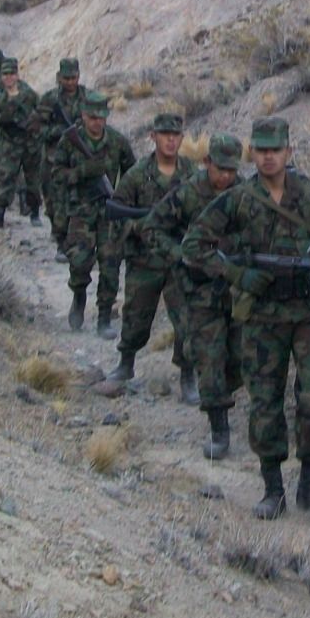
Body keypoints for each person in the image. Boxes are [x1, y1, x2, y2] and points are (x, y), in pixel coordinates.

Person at [181, 117, 310, 521]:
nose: (268, 157)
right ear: (254, 153)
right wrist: (237, 274)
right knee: (265, 400)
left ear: (289, 151)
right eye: (262, 150)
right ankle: (272, 488)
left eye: (276, 149)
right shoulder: (239, 199)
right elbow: (194, 244)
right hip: (262, 316)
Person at [144, 132, 247, 458]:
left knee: (240, 358)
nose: (226, 177)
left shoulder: (245, 194)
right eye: (220, 169)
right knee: (208, 356)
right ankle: (219, 428)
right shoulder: (188, 193)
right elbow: (152, 227)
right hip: (198, 290)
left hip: (237, 291)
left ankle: (220, 395)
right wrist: (178, 254)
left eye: (231, 170)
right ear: (206, 163)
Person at [107, 112, 196, 401]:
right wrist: (141, 226)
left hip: (179, 261)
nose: (170, 140)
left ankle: (188, 376)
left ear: (181, 139)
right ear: (153, 137)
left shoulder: (192, 174)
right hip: (144, 259)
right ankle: (125, 364)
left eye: (175, 135)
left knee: (187, 319)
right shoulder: (136, 174)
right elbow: (117, 214)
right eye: (164, 135)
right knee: (135, 314)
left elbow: (205, 213)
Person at [48, 90, 136, 336]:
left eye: (102, 117)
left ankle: (104, 317)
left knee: (110, 264)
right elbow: (56, 175)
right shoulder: (70, 140)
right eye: (93, 117)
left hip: (110, 212)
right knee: (79, 261)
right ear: (84, 116)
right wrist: (83, 171)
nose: (98, 122)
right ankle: (78, 297)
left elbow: (133, 175)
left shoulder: (118, 142)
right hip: (81, 211)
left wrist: (123, 200)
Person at [0, 58, 42, 228]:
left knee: (32, 179)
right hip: (7, 138)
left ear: (17, 75)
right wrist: (1, 114)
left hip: (28, 140)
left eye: (12, 74)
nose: (9, 78)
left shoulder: (26, 91)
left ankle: (34, 213)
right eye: (5, 74)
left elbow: (41, 109)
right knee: (4, 176)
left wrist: (35, 124)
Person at [37, 58, 84, 253]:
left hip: (79, 158)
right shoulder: (49, 99)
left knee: (78, 201)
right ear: (59, 78)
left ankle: (71, 241)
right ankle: (59, 236)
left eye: (74, 78)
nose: (71, 82)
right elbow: (37, 128)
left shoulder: (88, 98)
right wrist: (60, 131)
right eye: (67, 78)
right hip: (54, 158)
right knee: (53, 201)